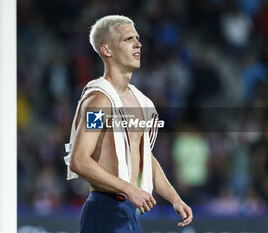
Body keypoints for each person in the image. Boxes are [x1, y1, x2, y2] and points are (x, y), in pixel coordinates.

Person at [64, 15, 192, 233]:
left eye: (138, 38)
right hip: (106, 209)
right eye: (128, 39)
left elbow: (144, 155)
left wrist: (174, 198)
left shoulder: (141, 102)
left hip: (127, 210)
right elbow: (79, 160)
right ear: (107, 50)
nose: (138, 43)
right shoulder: (99, 101)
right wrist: (129, 189)